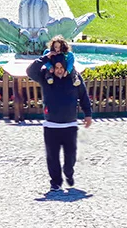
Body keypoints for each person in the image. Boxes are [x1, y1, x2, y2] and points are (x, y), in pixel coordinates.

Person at [27, 52, 92, 192]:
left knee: (71, 156)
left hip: (70, 125)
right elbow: (30, 71)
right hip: (51, 125)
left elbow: (83, 96)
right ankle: (55, 182)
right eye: (56, 67)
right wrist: (45, 58)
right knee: (52, 157)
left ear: (65, 66)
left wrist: (88, 114)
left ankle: (68, 172)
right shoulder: (45, 77)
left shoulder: (74, 78)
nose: (59, 70)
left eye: (61, 67)